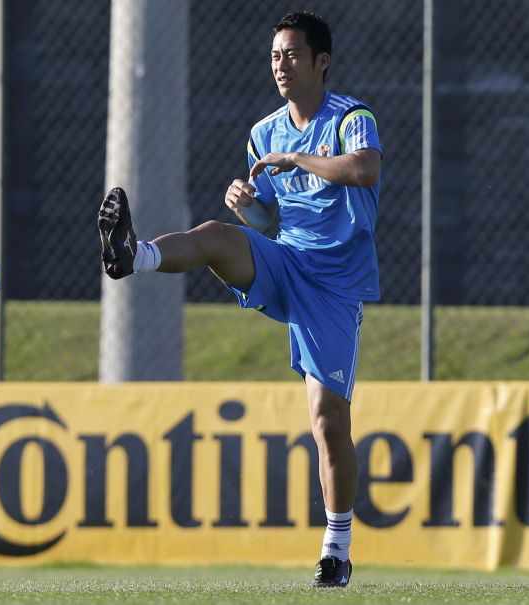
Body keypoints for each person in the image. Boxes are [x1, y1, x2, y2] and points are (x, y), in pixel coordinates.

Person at [98, 12, 381, 588]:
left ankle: (337, 547)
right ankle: (136, 255)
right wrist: (247, 206)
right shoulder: (263, 132)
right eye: (276, 55)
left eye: (293, 54)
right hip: (287, 262)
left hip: (333, 283)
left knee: (328, 422)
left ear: (321, 62)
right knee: (219, 235)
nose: (281, 64)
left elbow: (364, 169)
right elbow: (271, 220)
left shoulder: (352, 117)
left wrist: (297, 160)